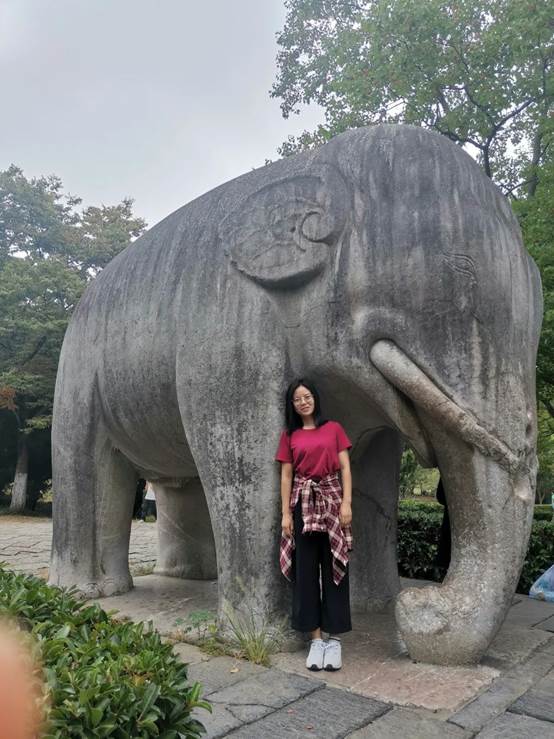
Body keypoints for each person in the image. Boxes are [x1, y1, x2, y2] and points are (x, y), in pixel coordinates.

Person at [275, 378, 353, 672]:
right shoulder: (290, 435)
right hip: (302, 505)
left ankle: (334, 640)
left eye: (307, 396)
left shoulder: (334, 429)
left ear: (315, 398)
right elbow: (286, 476)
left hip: (332, 502)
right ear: (292, 405)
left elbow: (345, 467)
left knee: (335, 569)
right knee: (305, 572)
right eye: (297, 399)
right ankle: (316, 640)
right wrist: (285, 514)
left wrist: (346, 504)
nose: (303, 402)